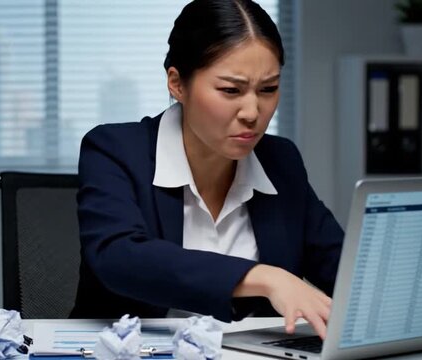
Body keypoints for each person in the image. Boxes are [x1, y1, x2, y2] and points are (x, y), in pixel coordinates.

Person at [70, 0, 343, 339]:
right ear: (177, 84)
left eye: (268, 89)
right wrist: (264, 277)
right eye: (231, 90)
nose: (252, 111)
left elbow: (344, 270)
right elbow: (118, 256)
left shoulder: (280, 161)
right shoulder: (115, 149)